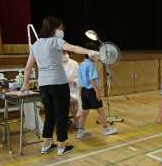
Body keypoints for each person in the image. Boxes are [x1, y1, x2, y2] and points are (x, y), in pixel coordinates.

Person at [23, 16, 99, 156]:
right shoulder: (56, 41)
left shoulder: (35, 45)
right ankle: (61, 146)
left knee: (49, 114)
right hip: (58, 82)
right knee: (61, 114)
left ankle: (46, 145)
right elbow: (73, 48)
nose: (62, 31)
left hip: (43, 85)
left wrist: (25, 84)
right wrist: (89, 51)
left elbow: (28, 67)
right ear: (54, 29)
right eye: (60, 28)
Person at [76, 46, 118, 139]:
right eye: (96, 54)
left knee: (84, 112)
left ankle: (80, 132)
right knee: (101, 111)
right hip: (91, 91)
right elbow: (92, 81)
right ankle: (107, 130)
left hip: (84, 91)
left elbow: (79, 80)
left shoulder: (82, 64)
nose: (98, 56)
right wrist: (97, 92)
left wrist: (80, 92)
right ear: (90, 55)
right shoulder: (91, 66)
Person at [62, 51, 81, 129]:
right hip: (61, 90)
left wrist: (74, 81)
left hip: (73, 89)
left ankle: (77, 122)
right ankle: (63, 123)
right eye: (62, 53)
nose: (64, 55)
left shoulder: (74, 63)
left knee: (75, 105)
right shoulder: (56, 63)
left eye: (65, 53)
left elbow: (79, 77)